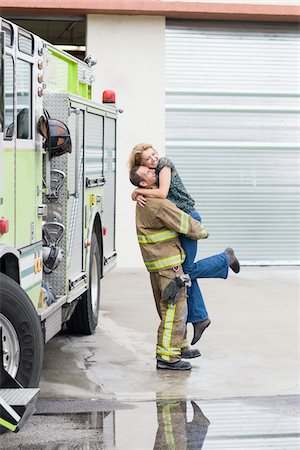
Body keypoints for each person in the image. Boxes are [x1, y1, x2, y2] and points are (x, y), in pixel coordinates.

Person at [130, 165, 240, 371]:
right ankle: (167, 358)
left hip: (157, 265)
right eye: (148, 173)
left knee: (174, 307)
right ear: (143, 183)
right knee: (174, 309)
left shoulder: (143, 201)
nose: (154, 171)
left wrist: (136, 193)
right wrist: (203, 232)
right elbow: (187, 225)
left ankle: (179, 346)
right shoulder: (157, 203)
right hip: (169, 265)